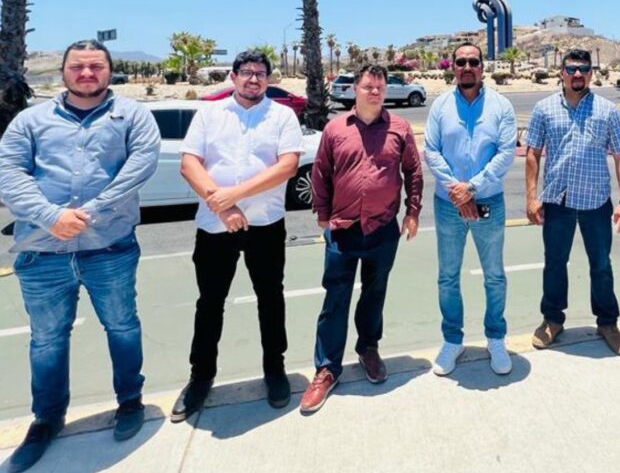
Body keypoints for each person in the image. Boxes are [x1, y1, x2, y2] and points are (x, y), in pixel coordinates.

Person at [0, 39, 161, 473]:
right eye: (78, 67)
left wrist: (89, 212)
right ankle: (46, 419)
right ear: (63, 72)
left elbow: (141, 165)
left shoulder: (132, 116)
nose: (87, 73)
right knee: (47, 340)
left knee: (122, 326)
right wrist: (51, 216)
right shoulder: (29, 121)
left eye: (95, 66)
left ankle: (130, 401)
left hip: (109, 247)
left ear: (109, 71)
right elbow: (8, 173)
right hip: (43, 251)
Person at [172, 50, 304, 422]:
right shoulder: (209, 114)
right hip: (215, 227)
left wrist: (236, 196)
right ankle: (200, 377)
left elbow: (287, 166)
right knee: (210, 303)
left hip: (265, 224)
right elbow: (189, 164)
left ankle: (274, 370)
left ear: (268, 78)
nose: (254, 79)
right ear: (233, 76)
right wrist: (222, 205)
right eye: (246, 73)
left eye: (261, 73)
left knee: (270, 298)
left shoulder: (282, 116)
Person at [300, 64, 422, 413]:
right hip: (342, 229)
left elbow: (413, 172)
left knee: (374, 294)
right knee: (335, 299)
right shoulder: (336, 128)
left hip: (383, 229)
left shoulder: (399, 128)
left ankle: (368, 349)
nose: (375, 91)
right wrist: (323, 216)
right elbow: (320, 173)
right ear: (355, 89)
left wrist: (412, 212)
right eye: (368, 86)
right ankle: (326, 369)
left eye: (380, 86)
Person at [524, 48, 620, 355]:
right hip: (557, 201)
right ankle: (552, 320)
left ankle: (608, 323)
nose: (577, 74)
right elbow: (532, 153)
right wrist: (532, 197)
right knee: (555, 264)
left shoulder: (607, 110)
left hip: (596, 203)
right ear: (561, 73)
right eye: (571, 69)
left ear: (590, 74)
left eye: (583, 69)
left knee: (601, 265)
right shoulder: (544, 109)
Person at [424, 42, 516, 376]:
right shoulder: (440, 106)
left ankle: (496, 337)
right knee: (448, 276)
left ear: (482, 66)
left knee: (494, 276)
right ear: (453, 67)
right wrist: (459, 193)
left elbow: (505, 153)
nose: (466, 67)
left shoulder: (501, 106)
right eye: (460, 62)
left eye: (473, 61)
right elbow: (431, 151)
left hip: (488, 201)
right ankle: (452, 340)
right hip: (449, 205)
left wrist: (472, 188)